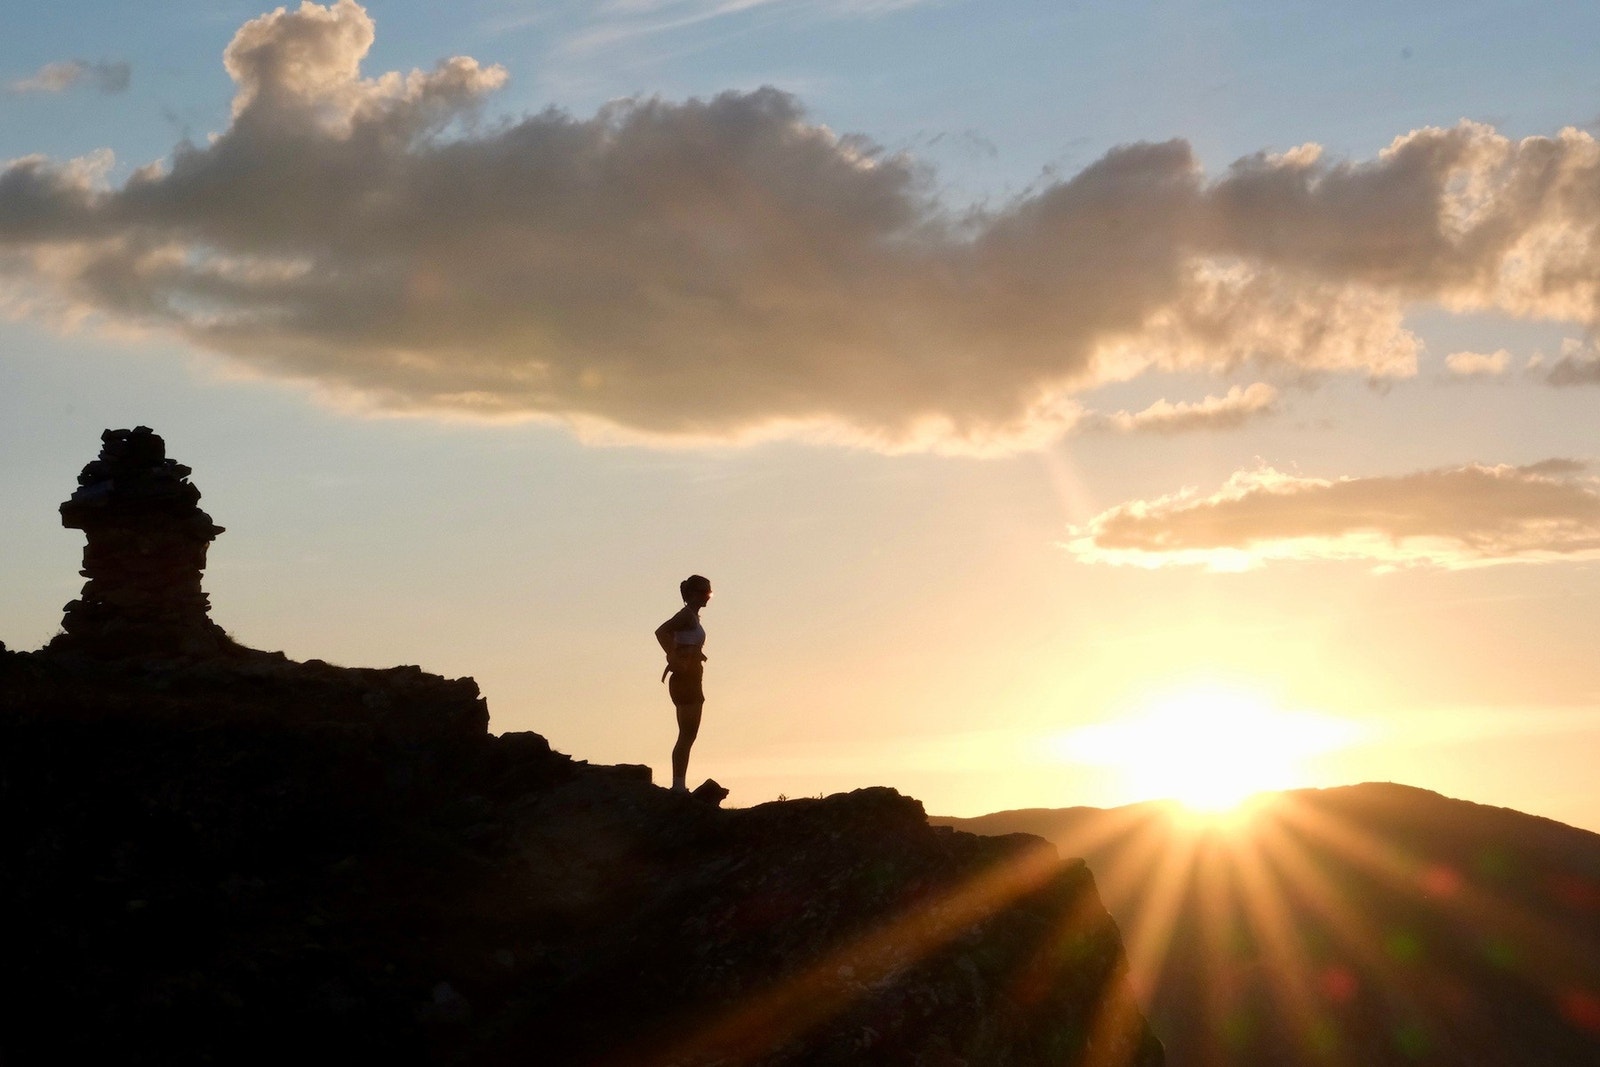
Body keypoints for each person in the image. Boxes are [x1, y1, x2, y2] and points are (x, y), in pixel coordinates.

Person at [655, 574, 712, 793]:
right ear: (691, 594)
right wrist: (673, 656)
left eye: (709, 592)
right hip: (686, 678)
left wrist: (694, 654)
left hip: (692, 676)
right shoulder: (686, 615)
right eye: (704, 592)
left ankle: (679, 784)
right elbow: (661, 631)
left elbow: (682, 640)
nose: (707, 596)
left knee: (689, 734)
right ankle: (678, 786)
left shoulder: (692, 617)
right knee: (687, 734)